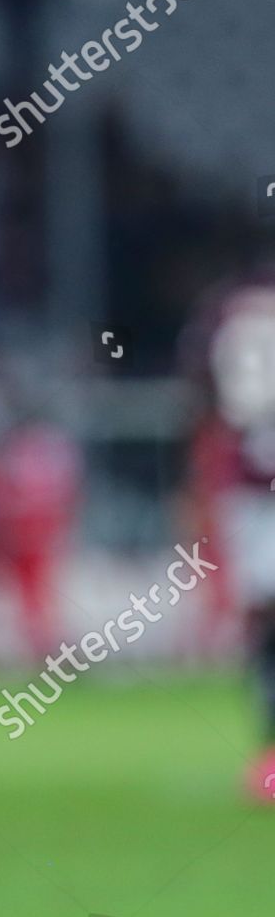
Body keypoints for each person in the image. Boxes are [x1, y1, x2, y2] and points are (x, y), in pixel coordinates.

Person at [181, 271, 275, 800]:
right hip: (253, 491)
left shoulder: (226, 307)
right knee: (265, 627)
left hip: (252, 489)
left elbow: (201, 400)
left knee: (264, 626)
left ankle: (269, 755)